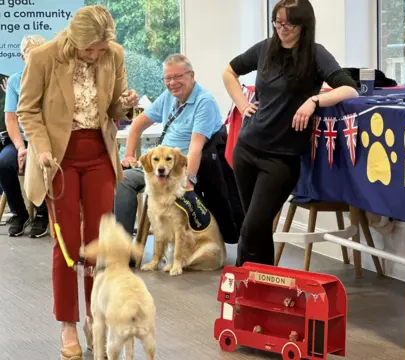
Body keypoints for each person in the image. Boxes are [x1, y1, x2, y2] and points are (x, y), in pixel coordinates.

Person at [16, 5, 139, 359]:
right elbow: (28, 110)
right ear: (75, 38)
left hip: (99, 154)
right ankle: (67, 323)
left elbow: (114, 110)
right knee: (67, 245)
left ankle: (94, 316)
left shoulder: (112, 54)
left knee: (99, 244)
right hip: (58, 159)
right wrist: (40, 149)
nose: (96, 55)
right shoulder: (44, 57)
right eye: (90, 50)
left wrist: (125, 104)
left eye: (101, 49)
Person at [222, 0, 359, 266]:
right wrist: (242, 103)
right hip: (247, 149)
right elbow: (229, 71)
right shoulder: (264, 49)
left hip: (281, 159)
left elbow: (349, 89)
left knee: (251, 229)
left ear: (303, 25)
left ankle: (242, 292)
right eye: (277, 21)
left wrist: (314, 101)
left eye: (289, 23)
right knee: (257, 230)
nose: (281, 28)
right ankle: (262, 290)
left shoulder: (315, 54)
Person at [115, 54, 238, 242]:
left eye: (178, 77)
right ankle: (122, 248)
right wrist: (129, 155)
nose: (172, 83)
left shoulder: (204, 102)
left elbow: (196, 148)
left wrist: (188, 180)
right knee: (123, 179)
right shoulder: (168, 97)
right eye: (168, 78)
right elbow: (138, 123)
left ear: (191, 75)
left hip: (180, 169)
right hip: (158, 164)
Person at [1, 34, 49, 237]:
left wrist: (37, 147)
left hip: (46, 140)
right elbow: (11, 119)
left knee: (42, 162)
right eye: (31, 55)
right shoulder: (15, 81)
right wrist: (21, 147)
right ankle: (19, 214)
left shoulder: (54, 80)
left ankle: (42, 214)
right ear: (23, 58)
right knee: (4, 162)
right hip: (21, 139)